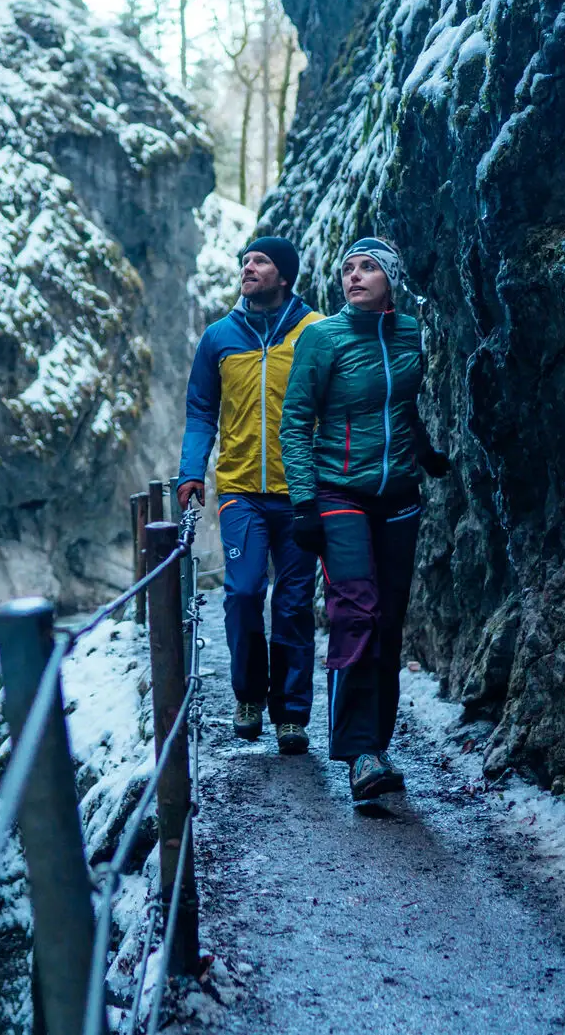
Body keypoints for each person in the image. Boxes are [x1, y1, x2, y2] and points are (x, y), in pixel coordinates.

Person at [278, 236, 451, 803]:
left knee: (391, 620)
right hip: (338, 493)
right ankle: (358, 753)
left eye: (368, 267)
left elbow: (402, 406)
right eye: (348, 268)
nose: (354, 276)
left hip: (399, 495)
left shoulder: (410, 335)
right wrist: (304, 504)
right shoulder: (322, 338)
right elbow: (295, 422)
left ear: (390, 280)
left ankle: (378, 745)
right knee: (358, 612)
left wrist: (424, 452)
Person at [177, 236, 324, 753]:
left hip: (302, 491)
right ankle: (248, 697)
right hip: (240, 489)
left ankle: (291, 713)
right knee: (241, 594)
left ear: (284, 275)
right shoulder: (219, 336)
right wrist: (190, 471)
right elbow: (200, 411)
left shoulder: (314, 331)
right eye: (245, 261)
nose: (248, 267)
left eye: (260, 261)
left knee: (292, 603)